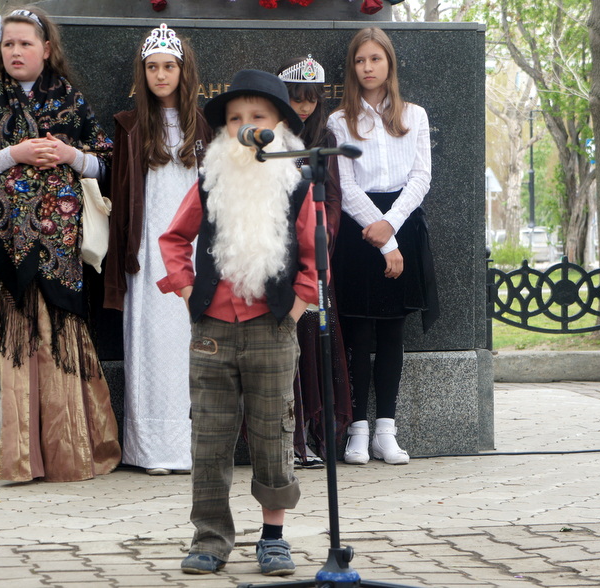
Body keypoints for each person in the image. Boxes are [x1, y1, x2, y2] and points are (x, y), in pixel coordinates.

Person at [157, 69, 320, 576]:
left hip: (271, 326)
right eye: (235, 120)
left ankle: (273, 537)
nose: (245, 126)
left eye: (257, 117)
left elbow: (315, 255)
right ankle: (210, 536)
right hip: (212, 329)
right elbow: (173, 239)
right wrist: (186, 291)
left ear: (279, 126)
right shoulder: (209, 181)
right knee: (210, 436)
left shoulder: (297, 183)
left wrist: (296, 307)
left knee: (274, 432)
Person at [0, 7, 121, 482]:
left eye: (25, 43)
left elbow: (110, 167)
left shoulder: (71, 102)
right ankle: (24, 459)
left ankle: (71, 456)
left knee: (60, 344)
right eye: (8, 44)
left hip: (62, 251)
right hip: (8, 245)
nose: (16, 51)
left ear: (47, 50)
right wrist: (14, 154)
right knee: (21, 347)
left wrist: (71, 156)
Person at [102, 23, 212, 476]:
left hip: (190, 249)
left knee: (190, 343)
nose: (161, 75)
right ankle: (149, 450)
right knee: (150, 343)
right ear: (142, 73)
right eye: (152, 67)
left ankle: (188, 448)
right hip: (146, 252)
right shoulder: (130, 127)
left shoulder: (202, 127)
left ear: (183, 72)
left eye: (169, 66)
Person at [327, 27, 439, 466]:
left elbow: (420, 178)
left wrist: (390, 229)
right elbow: (346, 184)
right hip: (359, 229)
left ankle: (385, 431)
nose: (368, 67)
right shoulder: (340, 122)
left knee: (392, 331)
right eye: (360, 61)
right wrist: (377, 232)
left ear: (389, 63)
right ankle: (357, 430)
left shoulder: (415, 116)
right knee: (357, 332)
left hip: (401, 224)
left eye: (375, 59)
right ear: (352, 68)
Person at [275, 55, 352, 468]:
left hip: (315, 259)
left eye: (311, 98)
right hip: (280, 259)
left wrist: (322, 238)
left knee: (314, 344)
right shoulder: (271, 139)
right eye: (296, 98)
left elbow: (335, 197)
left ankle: (312, 434)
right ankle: (285, 439)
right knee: (284, 348)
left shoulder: (325, 137)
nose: (304, 107)